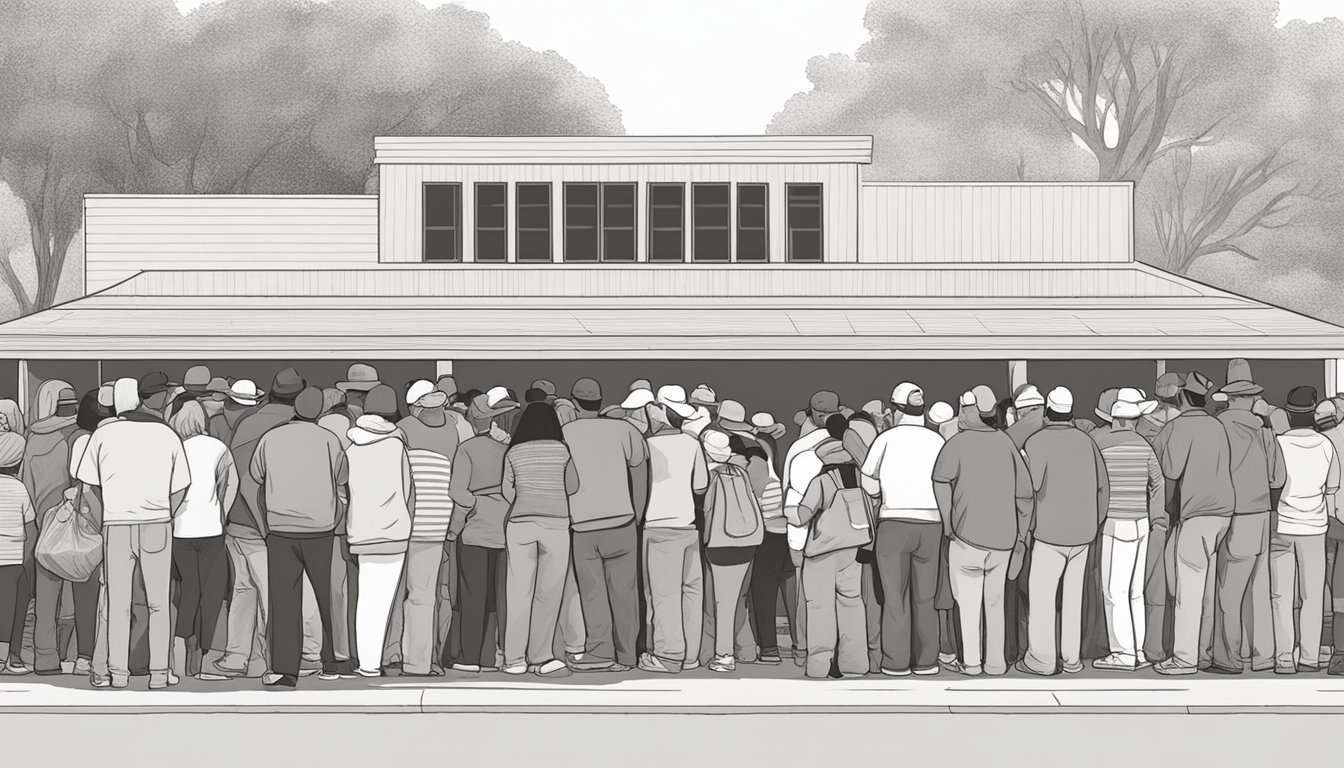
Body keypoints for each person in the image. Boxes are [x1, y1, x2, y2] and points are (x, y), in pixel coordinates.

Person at [76, 377, 190, 689]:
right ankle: (159, 674)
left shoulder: (102, 434)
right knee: (158, 604)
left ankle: (118, 674)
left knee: (118, 603)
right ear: (139, 400)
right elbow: (181, 486)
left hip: (116, 526)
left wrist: (103, 519)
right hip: (156, 524)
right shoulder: (166, 434)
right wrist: (166, 514)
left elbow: (87, 490)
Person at [248, 386, 347, 687]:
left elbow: (256, 476)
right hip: (320, 529)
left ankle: (284, 670)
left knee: (285, 601)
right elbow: (342, 478)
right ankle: (332, 663)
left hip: (280, 530)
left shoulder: (270, 438)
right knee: (326, 598)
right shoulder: (330, 440)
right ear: (319, 412)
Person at [932, 386, 1033, 677]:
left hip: (965, 538)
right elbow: (1025, 496)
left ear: (970, 411)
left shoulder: (957, 444)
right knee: (995, 602)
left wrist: (949, 522)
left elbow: (940, 480)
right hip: (1003, 540)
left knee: (967, 604)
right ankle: (996, 663)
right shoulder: (1006, 443)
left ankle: (973, 663)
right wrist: (1020, 536)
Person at [209, 369, 300, 680]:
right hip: (264, 524)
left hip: (234, 521)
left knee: (243, 589)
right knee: (270, 594)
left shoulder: (245, 424)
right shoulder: (287, 425)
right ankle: (271, 659)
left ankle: (237, 657)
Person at [1016, 387, 1109, 676]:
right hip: (1083, 533)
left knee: (1043, 598)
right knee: (1073, 599)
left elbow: (1028, 489)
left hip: (1049, 534)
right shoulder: (1087, 442)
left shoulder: (1037, 442)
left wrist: (1028, 529)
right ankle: (1071, 659)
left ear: (1048, 412)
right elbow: (1103, 487)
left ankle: (1042, 659)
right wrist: (1094, 523)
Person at [562, 378, 649, 673]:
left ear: (574, 403)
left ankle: (600, 652)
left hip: (583, 526)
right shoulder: (625, 430)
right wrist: (637, 514)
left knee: (593, 593)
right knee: (625, 593)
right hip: (623, 522)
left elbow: (563, 479)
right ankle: (626, 656)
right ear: (600, 402)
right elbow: (639, 472)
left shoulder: (565, 433)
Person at [1151, 371, 1235, 676]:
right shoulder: (1216, 426)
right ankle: (1202, 653)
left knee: (1188, 588)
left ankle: (1184, 659)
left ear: (1183, 396)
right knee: (1208, 591)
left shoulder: (1179, 427)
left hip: (1195, 515)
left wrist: (1165, 513)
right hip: (1224, 515)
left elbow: (1169, 473)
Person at [861, 382, 945, 677]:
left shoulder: (886, 438)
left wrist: (882, 494)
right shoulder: (937, 441)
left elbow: (867, 479)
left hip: (894, 523)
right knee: (926, 597)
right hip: (931, 525)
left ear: (895, 409)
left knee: (895, 598)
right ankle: (926, 661)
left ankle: (896, 662)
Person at [1208, 361, 1284, 675]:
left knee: (1229, 591)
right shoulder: (1265, 428)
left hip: (1234, 513)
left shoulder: (1219, 426)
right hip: (1262, 514)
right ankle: (1264, 655)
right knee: (1259, 589)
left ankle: (1229, 658)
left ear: (1228, 396)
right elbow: (1278, 476)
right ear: (1252, 396)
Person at [501, 401, 578, 677]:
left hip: (520, 523)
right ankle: (541, 656)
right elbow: (574, 486)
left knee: (518, 593)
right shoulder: (562, 451)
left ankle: (513, 660)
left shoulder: (514, 452)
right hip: (556, 524)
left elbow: (506, 491)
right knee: (549, 594)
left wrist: (525, 499)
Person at [1091, 388, 1165, 671]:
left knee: (1113, 591)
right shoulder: (1144, 446)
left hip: (1115, 521)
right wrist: (1156, 515)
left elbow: (1096, 484)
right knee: (1135, 592)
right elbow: (1157, 483)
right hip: (1141, 522)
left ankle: (1122, 653)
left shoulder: (1102, 445)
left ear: (1114, 418)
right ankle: (1138, 651)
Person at [793, 423, 872, 678]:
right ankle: (855, 664)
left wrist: (788, 512)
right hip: (854, 551)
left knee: (819, 608)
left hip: (822, 554)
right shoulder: (861, 481)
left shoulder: (822, 481)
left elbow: (802, 516)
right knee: (852, 606)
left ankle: (820, 665)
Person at [638, 391, 709, 674]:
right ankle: (690, 655)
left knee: (663, 594)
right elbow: (701, 485)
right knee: (691, 592)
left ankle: (668, 656)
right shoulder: (692, 443)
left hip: (658, 525)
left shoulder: (647, 445)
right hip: (688, 526)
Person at [1271, 386, 1339, 674]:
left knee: (1281, 595)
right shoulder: (1326, 445)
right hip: (1314, 527)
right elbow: (1332, 486)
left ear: (1288, 413)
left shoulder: (1278, 443)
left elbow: (1272, 482)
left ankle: (1285, 657)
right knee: (1312, 595)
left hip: (1282, 525)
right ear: (1314, 414)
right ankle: (1310, 657)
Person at [446, 393, 516, 673]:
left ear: (474, 419)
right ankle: (493, 656)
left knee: (472, 596)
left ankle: (470, 658)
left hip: (475, 532)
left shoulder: (467, 449)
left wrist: (457, 526)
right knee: (499, 599)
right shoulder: (508, 449)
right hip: (506, 531)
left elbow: (457, 492)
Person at [167, 402, 237, 681]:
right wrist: (222, 512)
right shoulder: (218, 448)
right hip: (211, 529)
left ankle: (181, 654)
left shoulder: (174, 448)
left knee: (187, 592)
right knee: (211, 595)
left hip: (180, 530)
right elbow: (230, 484)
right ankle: (205, 657)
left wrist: (172, 515)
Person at [23, 384, 90, 676]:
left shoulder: (31, 440)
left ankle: (45, 658)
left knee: (46, 599)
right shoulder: (78, 436)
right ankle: (75, 655)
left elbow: (27, 486)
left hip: (42, 527)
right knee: (77, 596)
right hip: (73, 523)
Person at [393, 380, 458, 677]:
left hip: (401, 522)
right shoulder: (453, 430)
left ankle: (391, 655)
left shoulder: (402, 428)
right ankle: (422, 661)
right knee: (425, 595)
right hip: (437, 523)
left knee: (394, 595)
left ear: (414, 405)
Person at [344, 408, 414, 678]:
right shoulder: (397, 449)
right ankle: (377, 660)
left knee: (366, 600)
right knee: (385, 601)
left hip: (361, 531)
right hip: (393, 532)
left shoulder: (350, 451)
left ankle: (368, 661)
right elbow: (407, 490)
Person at [782, 391, 848, 660]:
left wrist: (795, 541)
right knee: (847, 599)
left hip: (809, 536)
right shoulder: (850, 446)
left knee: (809, 599)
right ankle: (845, 654)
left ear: (812, 415)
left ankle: (805, 650)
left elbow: (793, 499)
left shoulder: (799, 451)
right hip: (848, 535)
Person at [700, 431, 765, 673]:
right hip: (748, 541)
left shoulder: (711, 476)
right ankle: (746, 649)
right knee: (738, 599)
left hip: (721, 542)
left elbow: (707, 509)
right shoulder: (740, 472)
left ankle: (723, 655)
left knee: (721, 603)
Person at [0, 431, 34, 674]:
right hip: (13, 558)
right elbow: (30, 526)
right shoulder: (18, 488)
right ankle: (11, 657)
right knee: (15, 609)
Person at [1317, 400, 1344, 675]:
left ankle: (1334, 651)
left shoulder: (1328, 438)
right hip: (1334, 522)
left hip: (1332, 522)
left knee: (1333, 591)